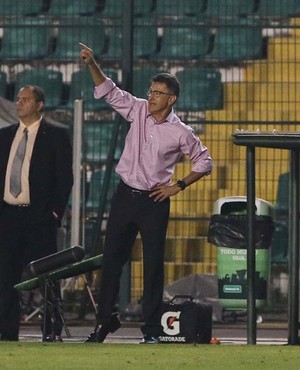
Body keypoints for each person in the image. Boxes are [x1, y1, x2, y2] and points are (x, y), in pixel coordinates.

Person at [80, 45, 213, 344]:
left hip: (154, 201)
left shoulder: (182, 132)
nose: (150, 96)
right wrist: (92, 63)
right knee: (112, 261)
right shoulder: (137, 109)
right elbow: (109, 90)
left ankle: (152, 330)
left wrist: (177, 186)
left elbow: (205, 162)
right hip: (124, 196)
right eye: (150, 90)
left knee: (153, 266)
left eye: (156, 92)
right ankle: (104, 322)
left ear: (171, 99)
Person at [0, 85, 73, 342]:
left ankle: (51, 331)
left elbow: (65, 179)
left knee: (47, 276)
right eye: (18, 99)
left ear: (40, 104)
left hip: (40, 218)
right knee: (5, 275)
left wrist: (54, 214)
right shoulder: (5, 135)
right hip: (8, 217)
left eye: (26, 99)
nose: (19, 103)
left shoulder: (56, 135)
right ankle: (6, 332)